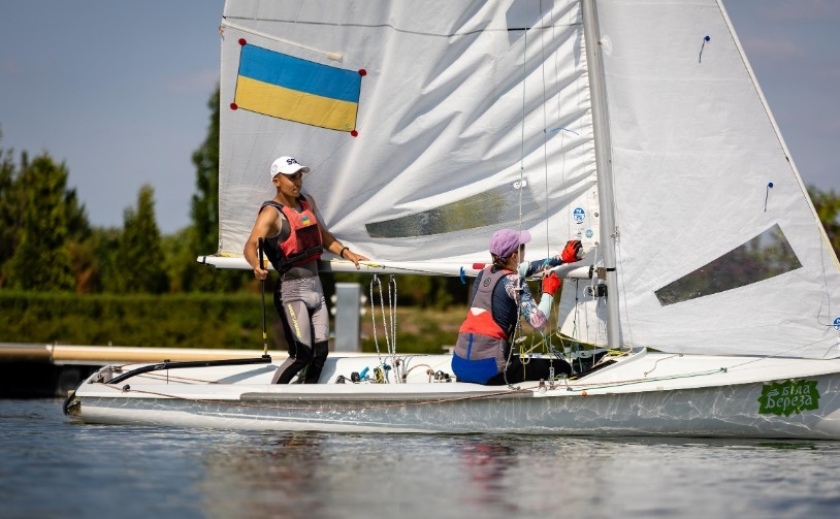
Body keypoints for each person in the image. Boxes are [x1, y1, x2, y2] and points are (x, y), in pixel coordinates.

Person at [244, 156, 369, 384]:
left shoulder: (307, 202)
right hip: (292, 293)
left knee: (320, 354)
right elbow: (250, 245)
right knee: (301, 355)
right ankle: (273, 399)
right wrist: (256, 264)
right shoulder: (272, 213)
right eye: (291, 177)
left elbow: (321, 236)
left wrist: (345, 252)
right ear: (276, 181)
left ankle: (306, 395)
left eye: (300, 176)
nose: (297, 182)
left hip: (316, 290)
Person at [452, 228, 583, 385]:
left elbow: (528, 267)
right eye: (523, 247)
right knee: (562, 367)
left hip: (459, 365)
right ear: (515, 255)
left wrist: (562, 258)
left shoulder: (485, 273)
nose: (525, 251)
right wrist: (548, 291)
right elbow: (539, 323)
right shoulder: (514, 281)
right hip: (491, 371)